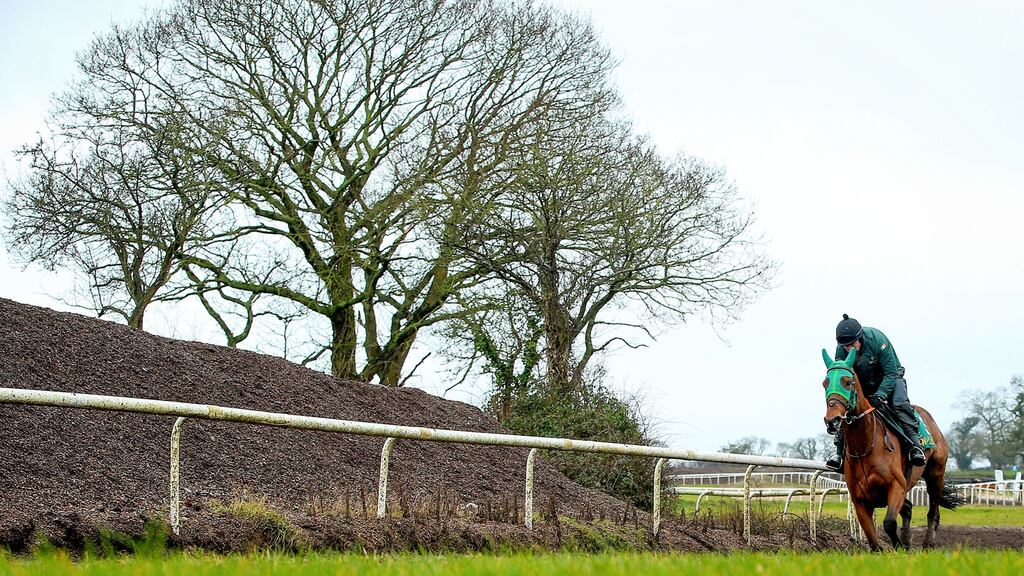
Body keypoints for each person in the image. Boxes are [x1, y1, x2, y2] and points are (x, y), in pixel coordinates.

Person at [826, 314, 927, 471]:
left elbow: (891, 373)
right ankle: (838, 453)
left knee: (899, 404)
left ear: (860, 338)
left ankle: (915, 446)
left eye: (851, 344)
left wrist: (880, 394)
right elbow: (843, 374)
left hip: (890, 377)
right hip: (863, 382)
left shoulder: (878, 341)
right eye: (844, 345)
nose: (847, 348)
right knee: (848, 407)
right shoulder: (842, 348)